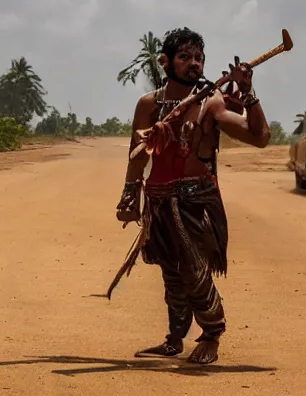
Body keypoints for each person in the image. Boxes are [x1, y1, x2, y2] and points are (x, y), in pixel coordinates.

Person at [113, 27, 270, 364]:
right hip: (158, 201)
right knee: (172, 275)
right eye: (185, 57)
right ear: (165, 61)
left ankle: (212, 334)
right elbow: (137, 154)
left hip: (195, 200)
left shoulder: (211, 102)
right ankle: (174, 339)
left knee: (195, 272)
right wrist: (130, 197)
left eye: (198, 58)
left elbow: (260, 138)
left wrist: (249, 92)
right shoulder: (149, 105)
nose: (194, 64)